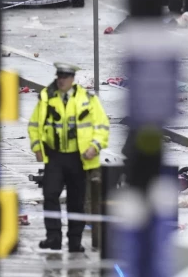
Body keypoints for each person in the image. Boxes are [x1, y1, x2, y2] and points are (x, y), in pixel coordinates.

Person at [29, 62, 111, 252]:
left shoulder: (87, 99)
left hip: (79, 158)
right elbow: (34, 124)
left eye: (65, 77)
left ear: (72, 79)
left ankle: (75, 240)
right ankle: (53, 237)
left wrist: (95, 147)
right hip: (54, 157)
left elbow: (102, 125)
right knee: (50, 195)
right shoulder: (47, 97)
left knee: (76, 201)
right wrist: (36, 148)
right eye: (59, 77)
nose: (61, 80)